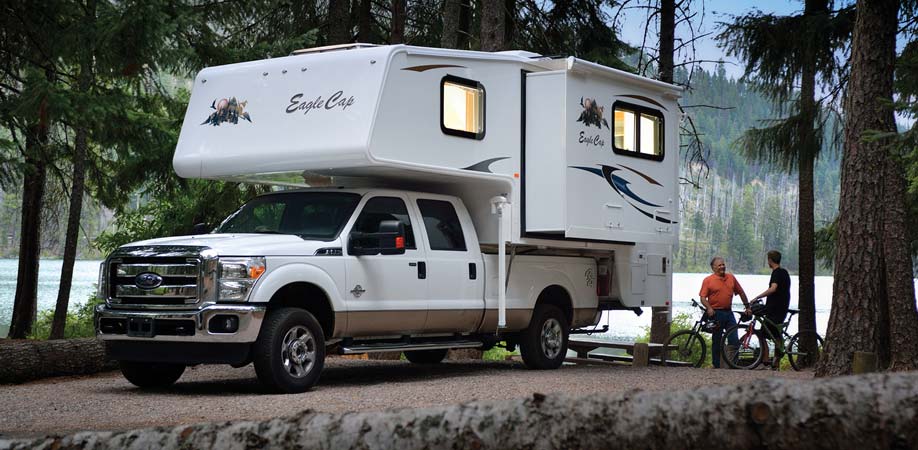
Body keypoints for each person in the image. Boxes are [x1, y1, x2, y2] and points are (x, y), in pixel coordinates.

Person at [699, 256, 751, 368]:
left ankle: (734, 364)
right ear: (713, 268)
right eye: (719, 265)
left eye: (723, 264)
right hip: (716, 313)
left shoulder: (731, 278)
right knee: (717, 339)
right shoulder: (708, 280)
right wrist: (709, 308)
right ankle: (716, 365)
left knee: (734, 339)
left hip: (729, 313)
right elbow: (703, 298)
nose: (722, 267)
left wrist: (747, 306)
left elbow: (741, 292)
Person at [751, 250, 791, 368]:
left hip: (775, 308)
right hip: (781, 307)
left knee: (763, 333)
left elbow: (773, 288)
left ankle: (767, 358)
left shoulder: (776, 273)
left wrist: (758, 296)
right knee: (775, 333)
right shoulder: (784, 272)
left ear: (770, 260)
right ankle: (775, 361)